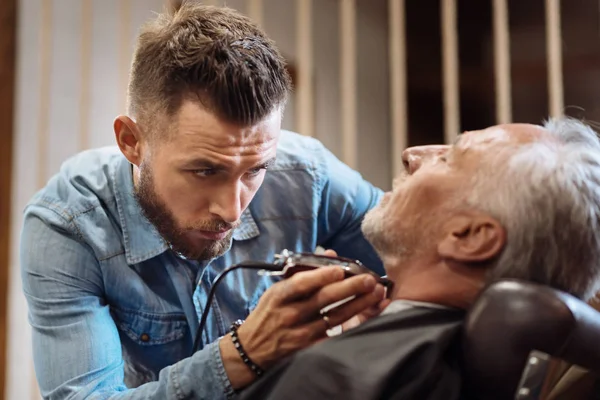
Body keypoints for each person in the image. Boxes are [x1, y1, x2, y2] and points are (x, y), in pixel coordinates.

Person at [20, 4, 388, 399]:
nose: (232, 210)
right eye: (205, 171)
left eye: (255, 170)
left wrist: (384, 321)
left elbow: (430, 261)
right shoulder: (69, 224)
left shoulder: (309, 176)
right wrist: (245, 352)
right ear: (131, 141)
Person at [239, 118, 600, 400]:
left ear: (469, 236)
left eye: (448, 158)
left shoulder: (338, 375)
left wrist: (243, 355)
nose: (412, 154)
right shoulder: (476, 370)